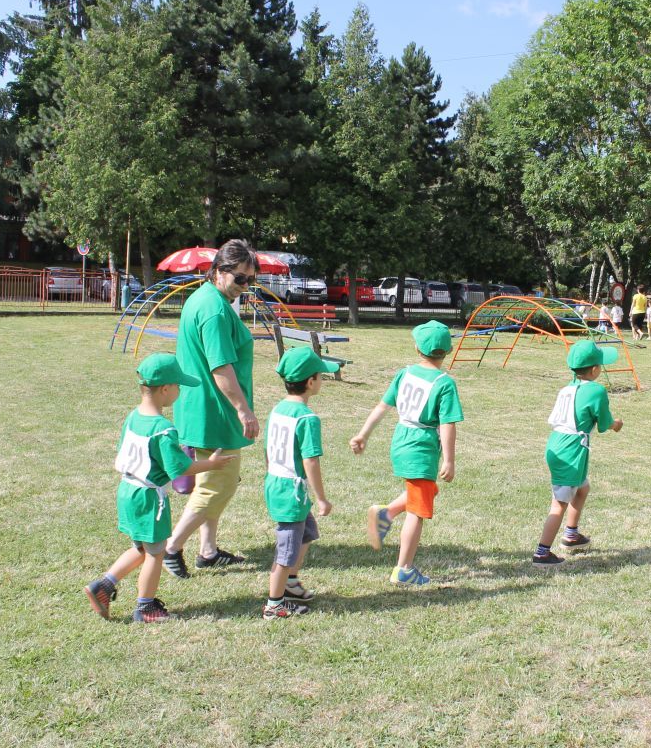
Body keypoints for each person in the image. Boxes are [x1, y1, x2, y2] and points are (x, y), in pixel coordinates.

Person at [85, 354, 235, 623]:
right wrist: (211, 464)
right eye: (178, 386)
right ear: (165, 389)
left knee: (142, 548)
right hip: (148, 498)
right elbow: (179, 468)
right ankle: (146, 607)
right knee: (156, 553)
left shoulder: (133, 417)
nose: (179, 391)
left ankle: (103, 586)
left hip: (127, 490)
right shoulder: (163, 429)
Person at [162, 240, 261, 580]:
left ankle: (208, 551)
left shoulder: (204, 298)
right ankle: (171, 547)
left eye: (250, 279)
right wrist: (244, 410)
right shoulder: (215, 310)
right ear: (219, 271)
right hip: (214, 410)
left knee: (211, 479)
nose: (245, 286)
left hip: (200, 407)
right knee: (219, 485)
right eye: (240, 278)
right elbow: (221, 367)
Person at [351, 321, 463, 587]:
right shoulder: (444, 383)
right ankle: (404, 570)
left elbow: (382, 406)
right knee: (417, 510)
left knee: (426, 491)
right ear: (448, 351)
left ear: (416, 348)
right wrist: (449, 459)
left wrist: (363, 434)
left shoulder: (404, 373)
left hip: (401, 440)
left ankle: (386, 514)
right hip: (421, 447)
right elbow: (448, 424)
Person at [262, 347, 340, 619]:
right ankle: (274, 604)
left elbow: (267, 449)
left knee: (307, 532)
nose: (321, 380)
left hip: (277, 484)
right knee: (286, 551)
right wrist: (321, 498)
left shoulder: (278, 409)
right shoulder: (307, 418)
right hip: (291, 492)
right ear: (310, 382)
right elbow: (311, 461)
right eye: (320, 375)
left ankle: (290, 582)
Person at [532, 340, 623, 565]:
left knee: (582, 488)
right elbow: (604, 422)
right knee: (559, 503)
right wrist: (616, 424)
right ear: (594, 369)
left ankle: (571, 535)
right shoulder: (596, 390)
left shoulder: (567, 388)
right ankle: (542, 553)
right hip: (571, 450)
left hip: (558, 444)